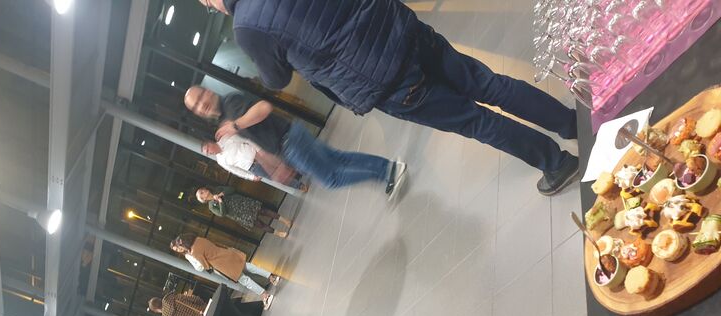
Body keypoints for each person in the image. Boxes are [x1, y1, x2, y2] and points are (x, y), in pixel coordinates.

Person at [193, 0, 579, 197]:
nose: (211, 7)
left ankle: (556, 163)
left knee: (474, 120)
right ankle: (569, 122)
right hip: (399, 27)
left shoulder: (247, 28)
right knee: (487, 83)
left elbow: (276, 78)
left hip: (381, 77)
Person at [184, 86, 408, 201]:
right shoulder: (225, 116)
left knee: (331, 179)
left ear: (208, 92)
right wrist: (275, 165)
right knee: (339, 159)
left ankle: (388, 171)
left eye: (200, 98)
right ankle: (389, 169)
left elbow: (264, 108)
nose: (201, 105)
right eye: (195, 106)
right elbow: (256, 140)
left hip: (290, 141)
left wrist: (236, 125)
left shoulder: (231, 104)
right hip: (290, 140)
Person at [170, 233, 278, 310]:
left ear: (183, 244)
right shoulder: (198, 239)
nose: (180, 250)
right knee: (248, 266)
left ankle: (265, 295)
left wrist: (203, 265)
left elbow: (204, 266)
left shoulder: (194, 252)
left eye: (179, 247)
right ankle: (271, 277)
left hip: (222, 264)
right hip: (225, 254)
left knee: (244, 280)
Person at [201, 135, 307, 189]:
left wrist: (259, 149)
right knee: (276, 177)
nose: (210, 153)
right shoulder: (220, 160)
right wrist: (251, 177)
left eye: (208, 150)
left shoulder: (226, 138)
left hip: (257, 154)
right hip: (252, 167)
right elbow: (235, 171)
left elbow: (247, 140)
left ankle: (301, 171)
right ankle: (298, 186)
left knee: (280, 163)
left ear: (210, 144)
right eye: (207, 153)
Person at [196, 185, 292, 238]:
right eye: (202, 193)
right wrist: (220, 202)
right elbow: (222, 214)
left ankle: (285, 220)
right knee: (259, 224)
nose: (204, 191)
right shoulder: (211, 206)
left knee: (264, 211)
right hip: (238, 214)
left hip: (243, 203)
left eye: (203, 190)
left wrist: (221, 194)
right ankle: (279, 233)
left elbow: (232, 189)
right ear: (203, 199)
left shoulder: (217, 189)